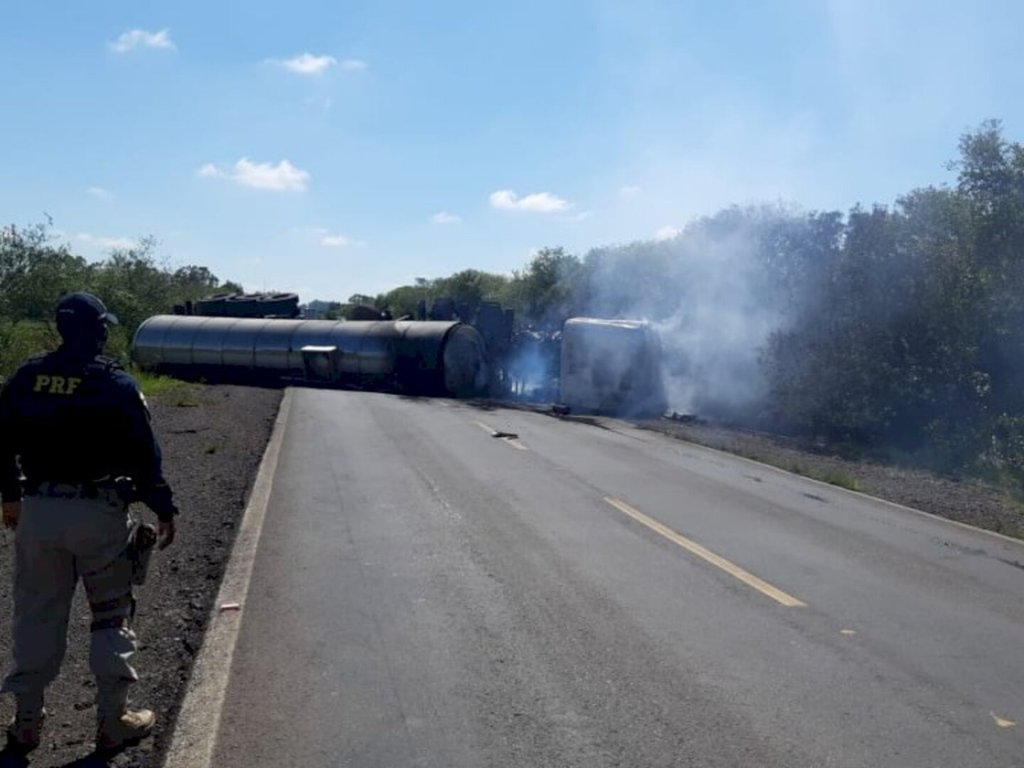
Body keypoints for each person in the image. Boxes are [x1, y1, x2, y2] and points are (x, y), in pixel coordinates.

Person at [0, 292, 178, 756]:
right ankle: (112, 720)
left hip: (39, 511)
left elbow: (0, 440)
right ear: (99, 331)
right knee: (110, 614)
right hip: (99, 514)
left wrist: (10, 497)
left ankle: (25, 724)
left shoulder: (27, 377)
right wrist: (163, 507)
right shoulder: (115, 384)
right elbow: (145, 455)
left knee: (37, 613)